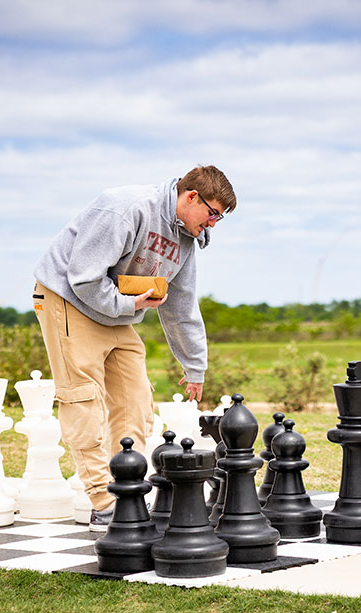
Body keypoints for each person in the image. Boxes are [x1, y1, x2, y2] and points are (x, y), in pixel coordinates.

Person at [32, 165, 236, 531]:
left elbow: (181, 305)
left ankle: (125, 488)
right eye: (213, 214)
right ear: (192, 197)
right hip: (68, 298)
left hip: (115, 311)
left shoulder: (185, 240)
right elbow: (84, 277)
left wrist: (194, 367)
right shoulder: (124, 208)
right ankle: (101, 501)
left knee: (136, 402)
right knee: (83, 398)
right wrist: (130, 306)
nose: (214, 224)